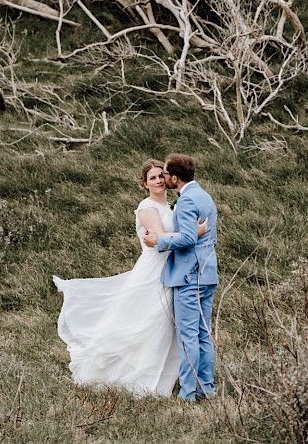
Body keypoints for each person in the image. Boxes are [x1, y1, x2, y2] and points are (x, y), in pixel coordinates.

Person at [52, 159, 207, 396]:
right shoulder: (147, 208)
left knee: (164, 327)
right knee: (142, 323)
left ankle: (161, 378)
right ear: (144, 184)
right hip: (153, 272)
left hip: (172, 271)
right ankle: (130, 377)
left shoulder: (171, 207)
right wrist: (193, 233)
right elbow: (160, 239)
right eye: (152, 178)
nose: (158, 181)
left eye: (160, 176)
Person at [143, 153, 218, 402]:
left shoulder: (186, 202)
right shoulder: (204, 196)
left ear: (175, 177)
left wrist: (159, 240)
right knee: (202, 333)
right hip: (207, 274)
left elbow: (187, 238)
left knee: (188, 337)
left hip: (189, 277)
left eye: (165, 173)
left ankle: (188, 393)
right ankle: (207, 387)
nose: (163, 178)